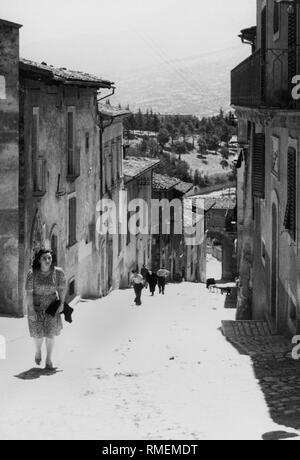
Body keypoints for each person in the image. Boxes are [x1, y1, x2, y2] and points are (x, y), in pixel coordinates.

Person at [25, 249, 67, 370]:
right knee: (38, 335)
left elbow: (61, 290)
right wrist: (31, 310)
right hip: (36, 306)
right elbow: (28, 294)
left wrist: (62, 304)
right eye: (44, 258)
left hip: (52, 306)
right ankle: (38, 351)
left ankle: (49, 359)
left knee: (50, 334)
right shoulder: (32, 273)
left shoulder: (58, 272)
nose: (48, 260)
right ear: (39, 260)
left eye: (49, 258)